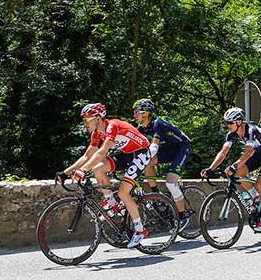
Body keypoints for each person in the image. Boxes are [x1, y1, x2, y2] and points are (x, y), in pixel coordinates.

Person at [58, 103, 152, 248]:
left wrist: (82, 170)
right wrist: (66, 172)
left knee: (123, 192)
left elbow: (102, 152)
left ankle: (140, 230)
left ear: (97, 118)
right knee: (98, 168)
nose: (85, 124)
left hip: (140, 152)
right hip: (126, 153)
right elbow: (87, 155)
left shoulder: (112, 126)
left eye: (87, 120)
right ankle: (113, 205)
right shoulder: (97, 132)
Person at [200, 108, 261, 230]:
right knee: (236, 174)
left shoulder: (251, 130)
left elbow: (247, 153)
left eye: (230, 123)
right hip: (257, 154)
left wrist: (234, 165)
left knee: (260, 184)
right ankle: (255, 197)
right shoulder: (231, 134)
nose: (228, 125)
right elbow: (223, 152)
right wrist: (211, 168)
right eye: (226, 123)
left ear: (239, 122)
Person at [132, 98, 192, 230]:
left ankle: (183, 216)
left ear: (146, 113)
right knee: (146, 164)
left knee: (170, 182)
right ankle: (157, 196)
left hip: (182, 149)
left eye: (137, 112)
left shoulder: (158, 124)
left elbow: (153, 148)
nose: (134, 115)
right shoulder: (141, 128)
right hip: (168, 150)